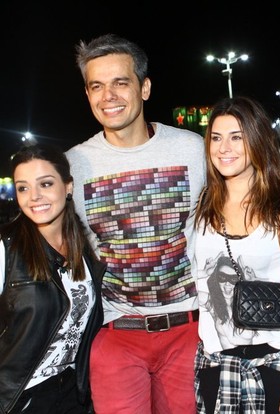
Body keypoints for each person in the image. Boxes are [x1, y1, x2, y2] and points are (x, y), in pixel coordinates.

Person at [65, 34, 206, 414]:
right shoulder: (74, 165)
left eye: (120, 82)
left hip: (188, 329)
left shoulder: (193, 149)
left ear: (144, 88)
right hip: (116, 334)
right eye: (97, 86)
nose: (108, 95)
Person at [193, 96, 280, 414]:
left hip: (273, 364)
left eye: (237, 137)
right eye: (216, 138)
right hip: (216, 365)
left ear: (257, 141)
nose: (224, 148)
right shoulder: (202, 209)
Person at [0, 143, 105, 413]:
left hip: (73, 393)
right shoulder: (6, 248)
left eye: (45, 184)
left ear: (68, 187)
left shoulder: (84, 248)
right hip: (19, 398)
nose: (34, 196)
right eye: (23, 187)